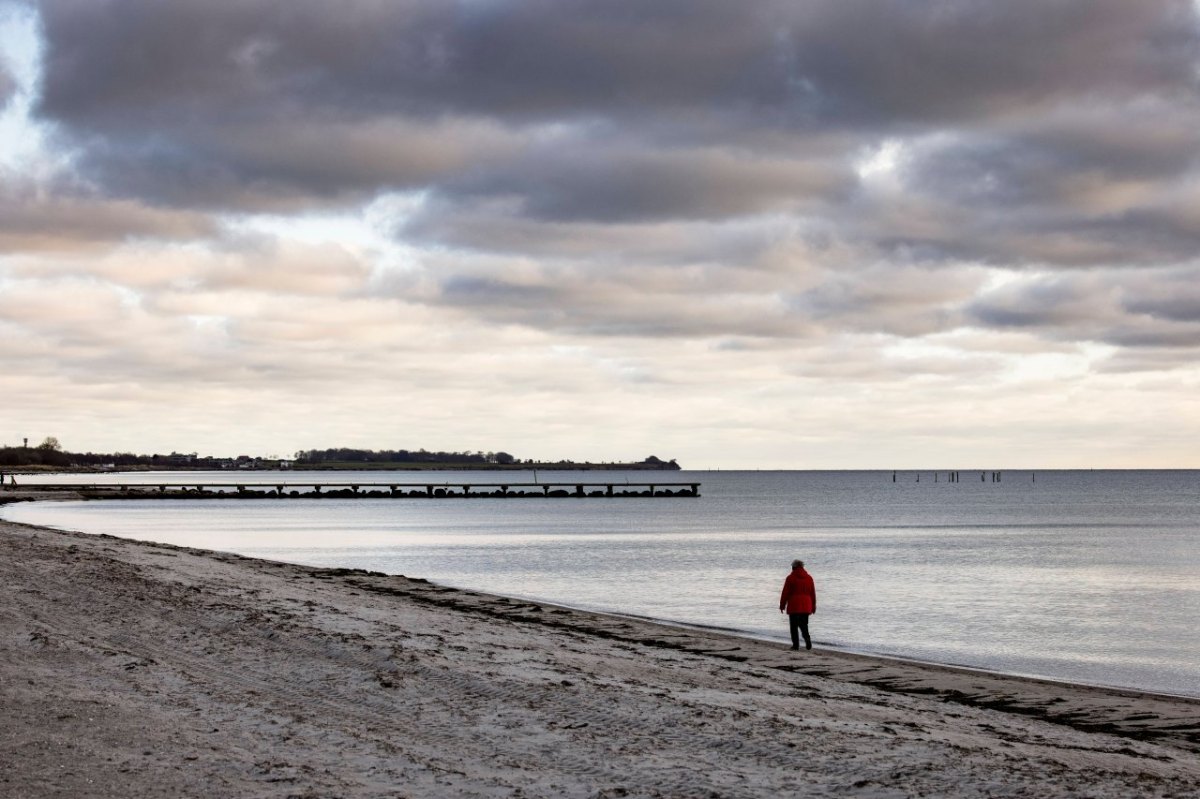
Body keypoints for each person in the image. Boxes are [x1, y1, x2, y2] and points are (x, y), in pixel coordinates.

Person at [779, 559, 816, 650]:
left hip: (794, 605)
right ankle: (807, 638)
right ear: (802, 567)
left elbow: (785, 593)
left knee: (794, 626)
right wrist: (813, 606)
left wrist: (782, 605)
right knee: (804, 624)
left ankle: (796, 645)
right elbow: (813, 594)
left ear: (793, 567)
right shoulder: (809, 578)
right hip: (806, 605)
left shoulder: (790, 578)